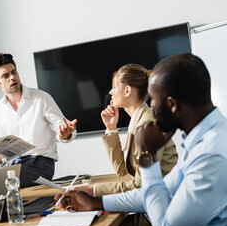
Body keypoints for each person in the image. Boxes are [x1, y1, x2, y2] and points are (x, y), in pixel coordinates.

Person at [55, 53, 227, 226]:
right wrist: (96, 203)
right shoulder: (203, 141)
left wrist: (148, 156)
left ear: (171, 104)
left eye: (153, 100)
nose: (151, 107)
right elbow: (163, 189)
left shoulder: (211, 155)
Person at [72, 64, 177, 198]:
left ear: (127, 90)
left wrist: (93, 189)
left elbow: (141, 185)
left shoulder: (146, 123)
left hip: (162, 204)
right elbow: (123, 170)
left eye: (114, 87)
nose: (111, 92)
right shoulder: (138, 119)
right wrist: (111, 129)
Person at [0, 53, 77, 190]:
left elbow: (63, 130)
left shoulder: (41, 98)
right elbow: (3, 151)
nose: (12, 77)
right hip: (13, 165)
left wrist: (65, 134)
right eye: (5, 76)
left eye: (14, 72)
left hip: (40, 165)